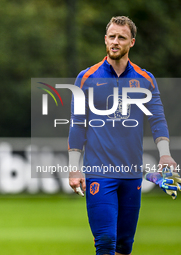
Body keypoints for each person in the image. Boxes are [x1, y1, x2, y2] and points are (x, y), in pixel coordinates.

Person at [68, 16, 177, 255]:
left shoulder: (145, 80)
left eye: (121, 37)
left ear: (132, 42)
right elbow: (77, 125)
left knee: (124, 247)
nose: (115, 42)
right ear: (105, 40)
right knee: (105, 241)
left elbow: (157, 119)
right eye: (111, 37)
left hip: (131, 174)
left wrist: (165, 155)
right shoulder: (86, 78)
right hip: (99, 173)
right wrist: (74, 167)